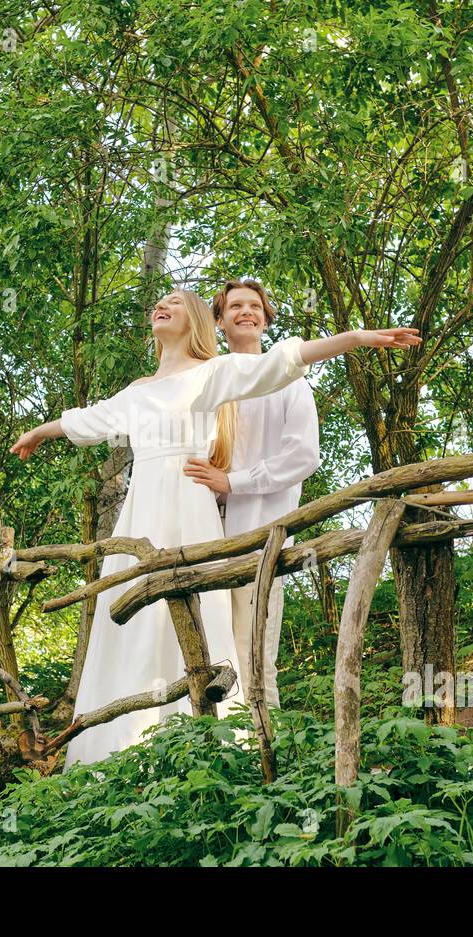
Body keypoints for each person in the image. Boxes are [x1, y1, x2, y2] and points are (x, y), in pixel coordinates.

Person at [10, 287, 420, 766]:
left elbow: (284, 360)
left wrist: (354, 338)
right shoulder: (137, 391)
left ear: (198, 322)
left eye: (177, 303)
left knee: (201, 613)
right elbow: (86, 421)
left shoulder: (211, 374)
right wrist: (39, 431)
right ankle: (119, 751)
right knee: (135, 616)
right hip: (142, 511)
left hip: (191, 509)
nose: (163, 306)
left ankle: (215, 745)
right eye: (159, 301)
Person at [184, 279, 319, 708]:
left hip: (259, 534)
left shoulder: (289, 381)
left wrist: (234, 483)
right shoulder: (204, 384)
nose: (247, 311)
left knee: (255, 650)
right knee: (204, 650)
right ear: (219, 320)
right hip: (201, 536)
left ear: (265, 318)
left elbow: (303, 456)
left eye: (255, 306)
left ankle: (265, 754)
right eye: (235, 306)